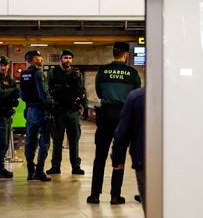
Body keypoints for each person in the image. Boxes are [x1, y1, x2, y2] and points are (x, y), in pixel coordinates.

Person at [87, 41, 141, 205]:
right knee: (119, 156)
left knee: (100, 157)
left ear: (113, 53)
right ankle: (115, 196)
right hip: (124, 117)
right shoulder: (132, 73)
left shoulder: (102, 72)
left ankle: (95, 195)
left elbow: (98, 92)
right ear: (125, 54)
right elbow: (135, 96)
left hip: (106, 115)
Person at [46, 48, 87, 175]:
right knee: (57, 140)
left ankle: (76, 166)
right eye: (65, 58)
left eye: (69, 58)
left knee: (74, 139)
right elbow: (48, 91)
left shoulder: (76, 73)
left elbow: (82, 90)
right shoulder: (52, 73)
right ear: (61, 59)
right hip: (58, 111)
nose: (68, 60)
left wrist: (84, 106)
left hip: (73, 111)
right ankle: (55, 166)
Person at [19, 49, 54, 181]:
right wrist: (50, 104)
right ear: (34, 59)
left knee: (30, 141)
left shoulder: (23, 74)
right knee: (44, 141)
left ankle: (30, 171)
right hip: (41, 111)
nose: (42, 59)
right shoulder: (39, 73)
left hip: (29, 111)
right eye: (40, 58)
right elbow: (43, 93)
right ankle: (39, 171)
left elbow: (22, 94)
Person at [111, 87, 145, 213]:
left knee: (152, 208)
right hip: (178, 162)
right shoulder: (182, 96)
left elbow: (122, 132)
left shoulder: (136, 97)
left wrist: (117, 158)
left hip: (143, 160)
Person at [0, 55, 20, 179]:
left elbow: (16, 94)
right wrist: (10, 91)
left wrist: (10, 92)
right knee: (1, 144)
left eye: (5, 65)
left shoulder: (9, 80)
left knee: (5, 144)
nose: (3, 67)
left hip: (7, 114)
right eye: (1, 65)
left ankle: (1, 168)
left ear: (8, 66)